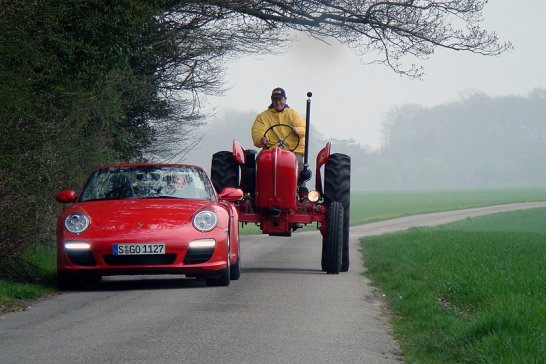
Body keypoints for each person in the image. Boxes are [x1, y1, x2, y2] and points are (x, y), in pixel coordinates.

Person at [251, 87, 306, 172]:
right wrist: (261, 139)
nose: (278, 102)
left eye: (280, 99)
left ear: (285, 99)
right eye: (275, 100)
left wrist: (298, 130)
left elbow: (303, 128)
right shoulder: (262, 117)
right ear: (271, 100)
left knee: (297, 168)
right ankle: (261, 184)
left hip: (293, 151)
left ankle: (297, 184)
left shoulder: (292, 114)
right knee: (261, 163)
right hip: (270, 151)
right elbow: (258, 133)